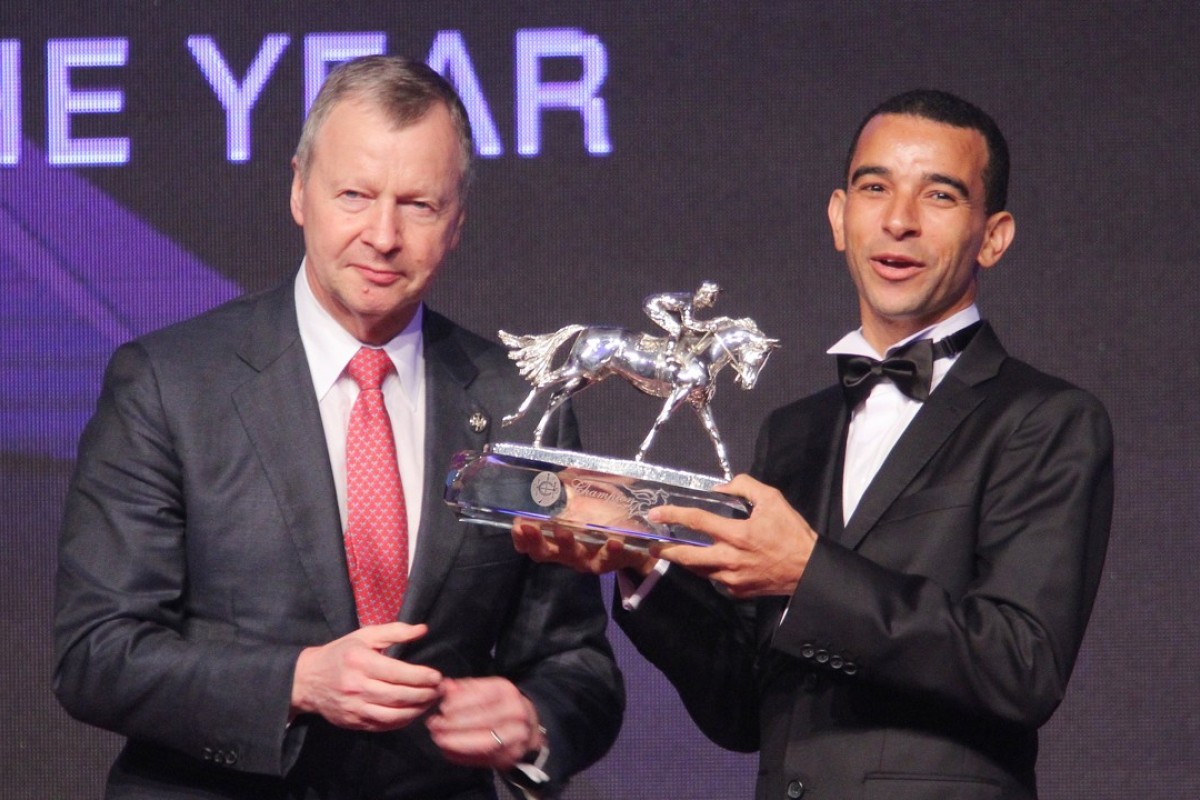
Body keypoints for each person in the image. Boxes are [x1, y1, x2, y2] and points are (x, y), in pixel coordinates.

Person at [514, 89, 1113, 799]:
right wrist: (647, 567)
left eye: (940, 196)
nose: (898, 220)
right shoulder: (794, 432)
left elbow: (1021, 665)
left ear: (993, 236)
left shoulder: (1046, 420)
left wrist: (807, 573)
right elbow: (744, 710)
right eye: (874, 188)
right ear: (839, 216)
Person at [54, 55, 623, 800]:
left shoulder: (521, 403)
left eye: (418, 204)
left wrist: (535, 720)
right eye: (354, 195)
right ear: (299, 190)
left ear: (456, 221)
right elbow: (96, 654)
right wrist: (294, 682)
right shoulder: (169, 386)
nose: (382, 235)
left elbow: (576, 660)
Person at [642, 280, 723, 354]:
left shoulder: (692, 302)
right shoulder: (689, 303)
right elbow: (689, 323)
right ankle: (668, 355)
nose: (715, 299)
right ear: (705, 294)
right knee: (676, 329)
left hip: (663, 307)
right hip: (653, 305)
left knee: (683, 330)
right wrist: (708, 326)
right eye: (713, 296)